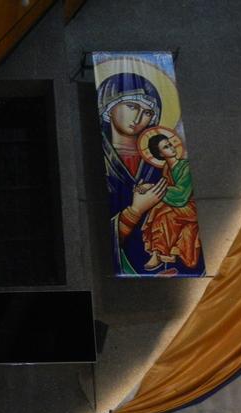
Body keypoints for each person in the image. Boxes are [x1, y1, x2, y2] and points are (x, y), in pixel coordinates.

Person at [97, 72, 168, 275]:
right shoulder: (104, 158)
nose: (138, 119)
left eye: (147, 112)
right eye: (132, 106)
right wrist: (135, 210)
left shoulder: (158, 162)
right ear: (108, 108)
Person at [141, 133, 201, 270]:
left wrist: (151, 187)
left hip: (189, 206)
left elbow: (181, 194)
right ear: (160, 154)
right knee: (158, 211)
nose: (172, 148)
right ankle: (157, 253)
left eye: (170, 144)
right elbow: (166, 188)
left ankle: (158, 253)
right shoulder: (167, 169)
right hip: (179, 206)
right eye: (166, 147)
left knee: (163, 215)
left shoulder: (186, 166)